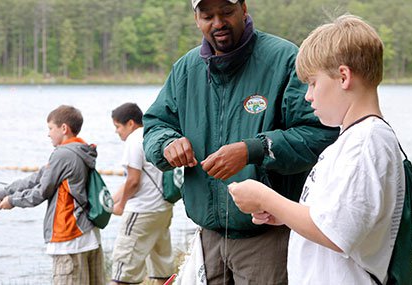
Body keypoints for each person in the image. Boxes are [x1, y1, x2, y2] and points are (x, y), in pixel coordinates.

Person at [142, 0, 339, 283]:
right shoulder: (186, 70)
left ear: (244, 9)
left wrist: (254, 149)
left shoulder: (283, 60)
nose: (218, 22)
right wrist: (166, 143)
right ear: (196, 19)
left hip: (269, 236)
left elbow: (320, 133)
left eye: (226, 12)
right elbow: (155, 125)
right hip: (208, 237)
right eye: (208, 15)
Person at [229, 15, 405, 284]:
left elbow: (337, 233)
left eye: (312, 83)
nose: (308, 96)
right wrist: (284, 214)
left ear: (343, 76)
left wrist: (266, 198)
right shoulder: (353, 138)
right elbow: (335, 217)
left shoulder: (365, 143)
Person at [0, 105, 105, 285]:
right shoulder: (80, 150)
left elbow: (40, 192)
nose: (48, 134)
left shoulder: (63, 154)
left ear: (64, 128)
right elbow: (38, 178)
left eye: (50, 128)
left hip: (69, 238)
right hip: (88, 234)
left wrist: (12, 201)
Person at [110, 102, 174, 285]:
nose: (117, 132)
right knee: (162, 272)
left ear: (130, 123)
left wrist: (121, 205)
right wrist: (111, 201)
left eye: (117, 126)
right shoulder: (152, 135)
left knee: (123, 273)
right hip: (162, 209)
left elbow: (133, 180)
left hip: (141, 211)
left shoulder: (133, 140)